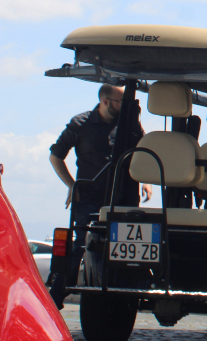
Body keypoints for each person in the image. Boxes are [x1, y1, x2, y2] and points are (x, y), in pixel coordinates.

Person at [48, 84, 151, 307]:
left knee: (127, 247)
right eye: (122, 102)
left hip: (124, 197)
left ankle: (122, 298)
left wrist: (145, 181)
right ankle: (54, 301)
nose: (126, 107)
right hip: (89, 197)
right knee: (81, 246)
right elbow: (55, 156)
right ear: (105, 102)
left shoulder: (130, 124)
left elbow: (141, 153)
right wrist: (72, 185)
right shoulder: (80, 124)